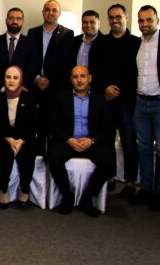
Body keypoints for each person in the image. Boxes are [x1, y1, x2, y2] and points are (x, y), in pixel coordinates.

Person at [49, 65, 115, 218]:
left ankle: (88, 197)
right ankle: (67, 196)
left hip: (90, 142)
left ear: (89, 78)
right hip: (69, 141)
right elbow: (53, 124)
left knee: (109, 162)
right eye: (75, 77)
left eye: (83, 76)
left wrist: (92, 140)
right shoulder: (61, 98)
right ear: (71, 80)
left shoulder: (100, 100)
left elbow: (107, 128)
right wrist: (69, 139)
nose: (79, 80)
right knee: (53, 158)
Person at [129, 6, 160, 211]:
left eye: (149, 20)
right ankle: (146, 189)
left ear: (157, 20)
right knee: (144, 148)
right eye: (141, 20)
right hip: (140, 102)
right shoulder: (136, 43)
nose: (144, 24)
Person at [94, 4, 140, 200]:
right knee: (106, 141)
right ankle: (110, 176)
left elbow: (138, 73)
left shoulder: (137, 43)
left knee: (129, 142)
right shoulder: (100, 43)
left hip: (127, 102)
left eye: (118, 17)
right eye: (111, 17)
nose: (115, 20)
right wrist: (105, 88)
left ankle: (130, 182)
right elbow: (94, 71)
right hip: (106, 101)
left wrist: (119, 91)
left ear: (126, 18)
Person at [27, 0, 74, 155]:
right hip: (35, 87)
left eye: (54, 10)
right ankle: (38, 160)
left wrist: (48, 80)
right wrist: (37, 79)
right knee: (36, 126)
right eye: (47, 9)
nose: (50, 13)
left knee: (54, 127)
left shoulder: (67, 34)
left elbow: (65, 62)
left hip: (56, 89)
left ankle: (52, 162)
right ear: (43, 12)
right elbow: (29, 60)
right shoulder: (32, 32)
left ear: (59, 13)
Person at [0, 66, 38, 208]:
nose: (11, 81)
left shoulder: (29, 98)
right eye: (8, 77)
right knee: (4, 152)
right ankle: (3, 190)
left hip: (24, 138)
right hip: (4, 137)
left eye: (15, 78)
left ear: (21, 80)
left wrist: (21, 140)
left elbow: (33, 124)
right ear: (4, 79)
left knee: (28, 154)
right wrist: (9, 139)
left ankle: (25, 190)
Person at [0, 8, 38, 97]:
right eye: (11, 18)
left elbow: (32, 69)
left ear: (23, 22)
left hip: (22, 93)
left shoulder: (31, 44)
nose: (14, 21)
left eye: (18, 19)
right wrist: (3, 88)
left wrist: (19, 88)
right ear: (6, 21)